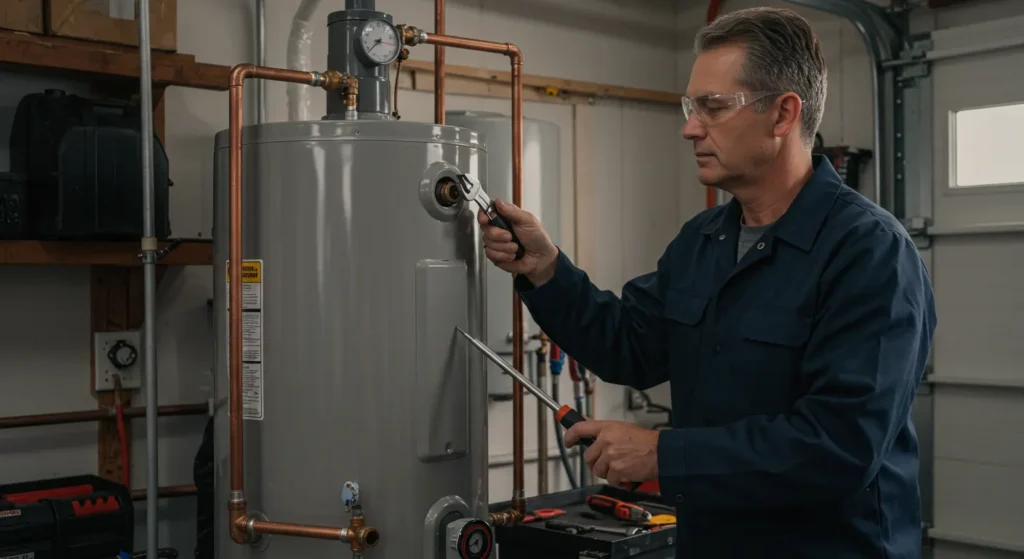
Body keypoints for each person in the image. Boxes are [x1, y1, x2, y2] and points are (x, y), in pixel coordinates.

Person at [478, 6, 936, 559]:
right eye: (690, 107)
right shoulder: (705, 239)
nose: (690, 126)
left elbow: (842, 444)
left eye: (713, 107)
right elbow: (630, 346)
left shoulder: (869, 252)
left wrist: (663, 455)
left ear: (783, 114)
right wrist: (546, 269)